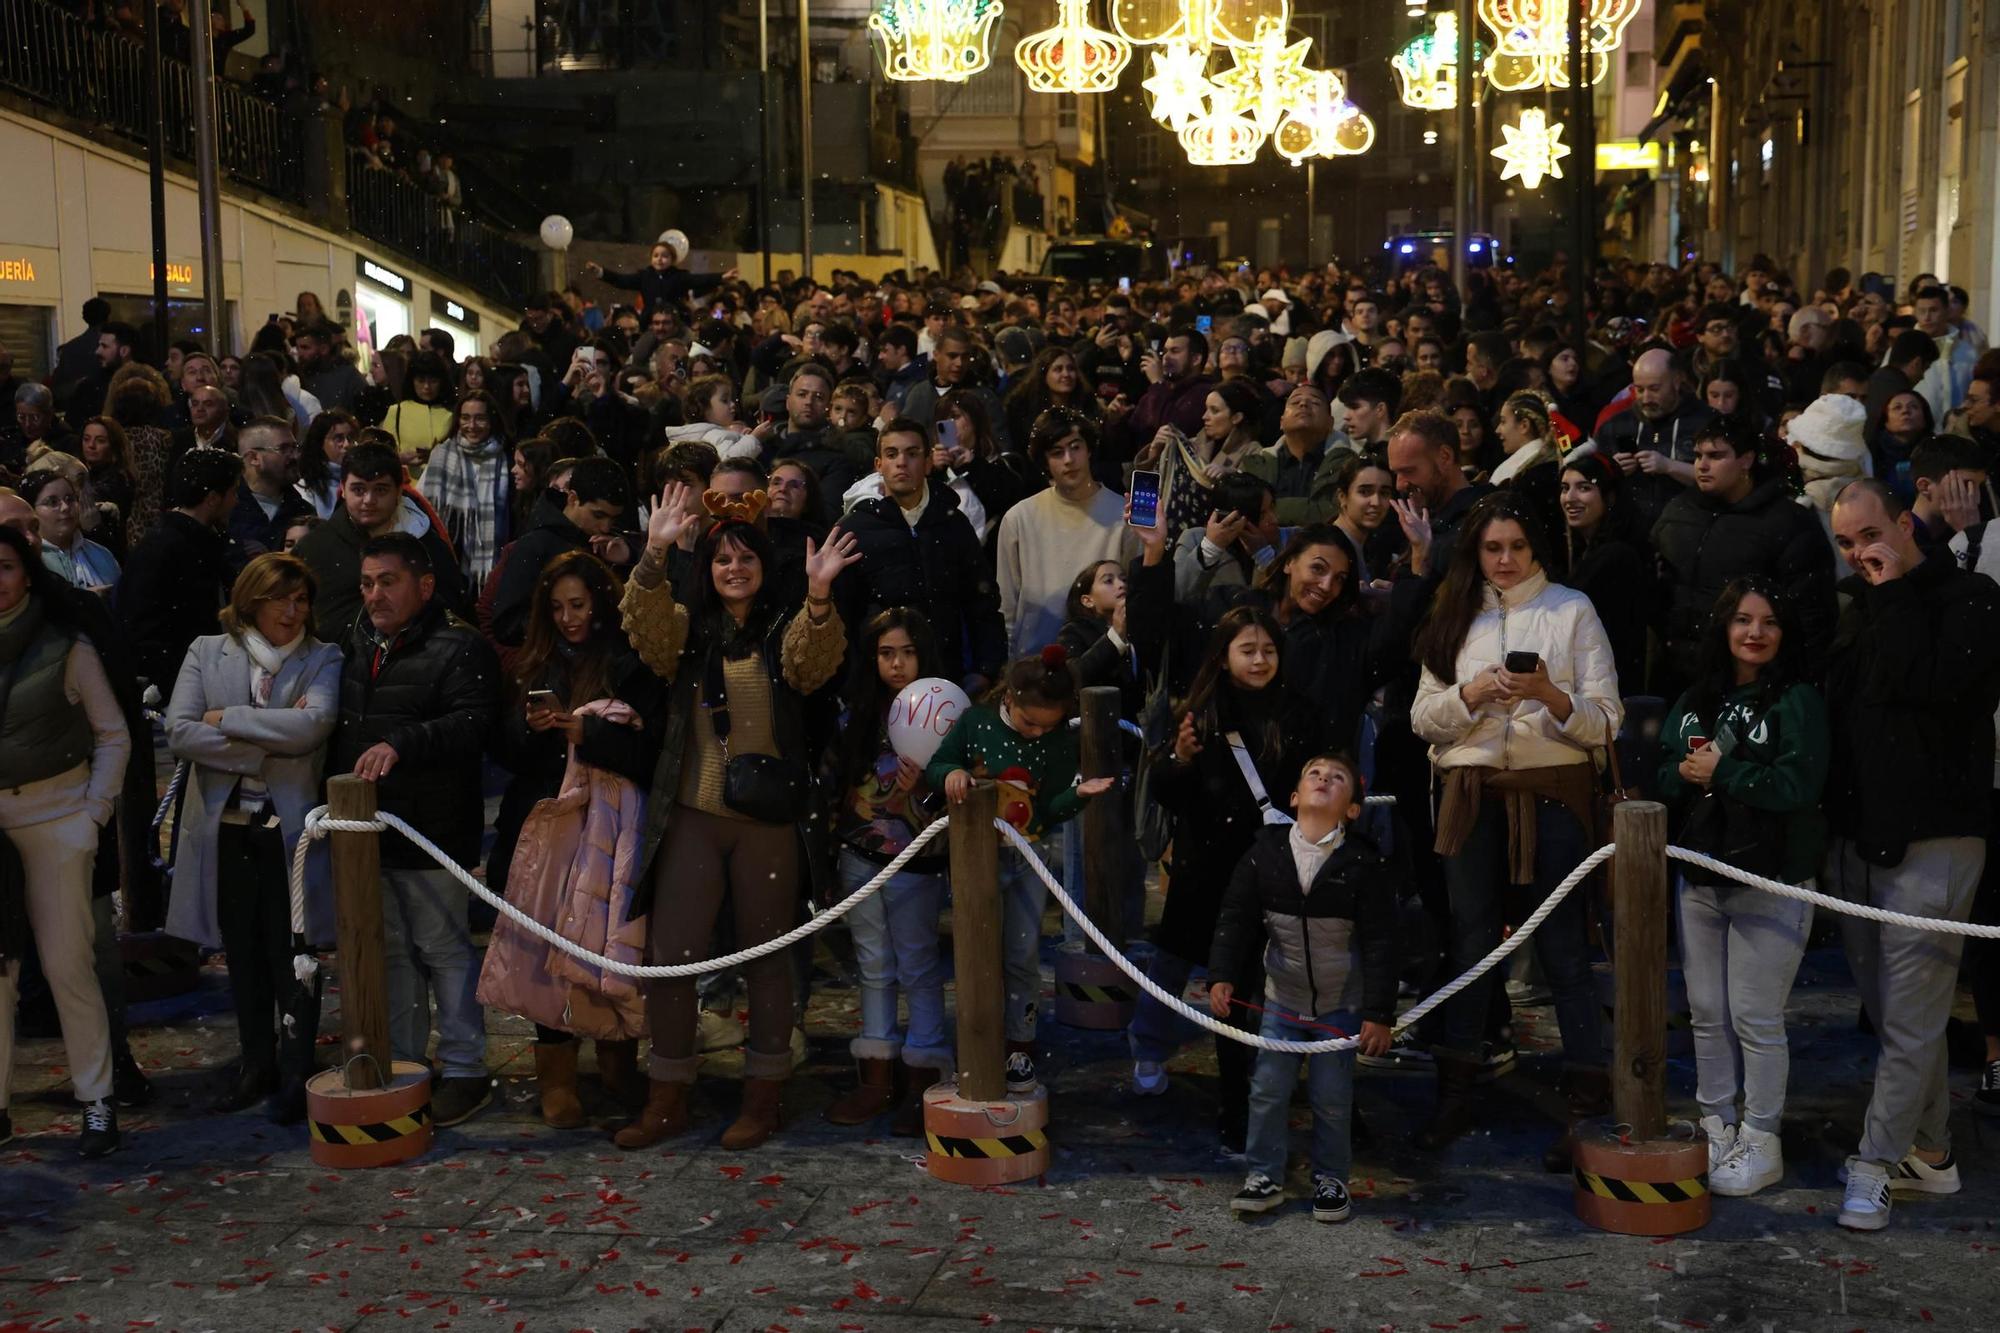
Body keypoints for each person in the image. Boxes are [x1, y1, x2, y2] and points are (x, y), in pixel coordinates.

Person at [611, 486, 859, 1152]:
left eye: (745, 556)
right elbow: (647, 632)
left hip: (769, 820)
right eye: (722, 558)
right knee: (672, 957)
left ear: (762, 564)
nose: (733, 568)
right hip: (692, 813)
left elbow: (812, 665)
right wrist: (655, 551)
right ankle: (666, 1097)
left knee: (769, 957)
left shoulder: (785, 626)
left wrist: (818, 593)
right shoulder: (689, 631)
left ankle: (764, 1095)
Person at [1409, 493, 1620, 1161]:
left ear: (1537, 551)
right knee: (1470, 946)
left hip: (1552, 792)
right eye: (1492, 547)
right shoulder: (1454, 613)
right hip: (1469, 793)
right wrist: (1472, 695)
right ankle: (1456, 1093)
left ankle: (1587, 1101)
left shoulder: (1571, 608)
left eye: (1516, 548)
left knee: (1561, 945)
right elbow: (1422, 718)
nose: (1504, 560)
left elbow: (1606, 720)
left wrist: (1550, 697)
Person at [1823, 480, 2000, 1231]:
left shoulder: (1971, 597)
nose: (1860, 552)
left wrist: (1891, 590)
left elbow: (1932, 686)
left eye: (1870, 533)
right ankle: (1930, 1150)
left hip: (1938, 838)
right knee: (1900, 1016)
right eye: (1844, 542)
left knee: (1911, 1017)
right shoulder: (1858, 606)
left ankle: (1876, 1160)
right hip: (1861, 841)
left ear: (1905, 523)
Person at [1653, 577, 1827, 1197]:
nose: (1754, 633)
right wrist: (1687, 775)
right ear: (1723, 627)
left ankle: (1762, 1136)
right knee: (1706, 1012)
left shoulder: (1797, 700)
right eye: (1743, 620)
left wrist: (1724, 772)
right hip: (1700, 873)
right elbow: (1664, 774)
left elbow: (1798, 788)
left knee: (1755, 1015)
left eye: (1769, 622)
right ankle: (1716, 1122)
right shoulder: (1696, 699)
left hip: (1771, 877)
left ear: (1786, 634)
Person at [1125, 605, 1325, 1144]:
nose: (1260, 660)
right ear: (1224, 655)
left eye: (1268, 650)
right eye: (1247, 650)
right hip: (1209, 868)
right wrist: (1182, 760)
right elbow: (1169, 793)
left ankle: (1247, 1096)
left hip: (1274, 867)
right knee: (1181, 966)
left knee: (1255, 982)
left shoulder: (1300, 711)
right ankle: (1152, 1053)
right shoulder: (1202, 712)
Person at [328, 533, 499, 1128]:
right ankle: (404, 1064)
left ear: (423, 586)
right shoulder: (357, 639)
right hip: (369, 828)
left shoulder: (458, 647)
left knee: (443, 948)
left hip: (432, 826)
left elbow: (473, 722)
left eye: (388, 581)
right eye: (367, 582)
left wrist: (401, 742)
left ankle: (465, 1068)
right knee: (393, 953)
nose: (374, 594)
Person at [163, 553, 341, 1122]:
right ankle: (254, 1063)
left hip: (291, 833)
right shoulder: (205, 650)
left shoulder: (323, 657)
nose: (292, 612)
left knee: (295, 951)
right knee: (241, 955)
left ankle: (296, 1069)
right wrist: (267, 747)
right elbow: (181, 731)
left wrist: (228, 719)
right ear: (250, 603)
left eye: (301, 600)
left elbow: (313, 727)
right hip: (227, 829)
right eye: (278, 600)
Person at [488, 550, 663, 1128]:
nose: (568, 619)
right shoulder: (531, 665)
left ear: (601, 604)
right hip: (544, 824)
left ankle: (616, 1057)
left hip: (607, 827)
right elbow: (506, 752)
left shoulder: (628, 664)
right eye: (557, 607)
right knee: (543, 945)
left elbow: (647, 755)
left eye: (579, 605)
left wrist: (586, 734)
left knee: (604, 943)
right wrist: (534, 728)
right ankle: (557, 1077)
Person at [1210, 753, 1397, 1222]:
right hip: (1282, 1000)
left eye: (1337, 779)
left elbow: (1381, 942)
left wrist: (1378, 1013)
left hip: (1340, 1004)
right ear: (1294, 798)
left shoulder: (1363, 864)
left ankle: (1331, 1177)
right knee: (1268, 1088)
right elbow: (1235, 919)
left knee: (1332, 1096)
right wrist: (1221, 975)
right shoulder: (1264, 855)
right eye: (1313, 773)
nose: (1323, 780)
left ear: (1352, 808)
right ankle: (1263, 1175)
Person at [928, 644, 1115, 1095]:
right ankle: (975, 1043)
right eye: (1029, 722)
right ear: (1008, 698)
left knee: (1022, 955)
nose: (1036, 734)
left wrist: (1078, 796)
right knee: (975, 954)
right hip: (976, 858)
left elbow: (1048, 810)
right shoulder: (976, 722)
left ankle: (1020, 1046)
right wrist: (952, 773)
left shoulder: (1054, 743)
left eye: (1046, 726)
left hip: (1029, 857)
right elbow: (938, 763)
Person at [0, 524, 130, 1156]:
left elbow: (113, 734)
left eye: (4, 567)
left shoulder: (65, 644)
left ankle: (97, 1100)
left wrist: (92, 815)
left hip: (59, 820)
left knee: (67, 964)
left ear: (27, 572)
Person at [823, 608, 952, 1133]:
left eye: (907, 652)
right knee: (872, 962)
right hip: (859, 855)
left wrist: (920, 788)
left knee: (919, 964)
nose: (897, 664)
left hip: (918, 857)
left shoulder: (946, 713)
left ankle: (923, 1076)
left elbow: (952, 798)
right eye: (885, 653)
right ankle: (874, 1078)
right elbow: (836, 780)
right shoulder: (854, 711)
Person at [1651, 417, 1837, 690]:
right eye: (1698, 456)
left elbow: (1811, 612)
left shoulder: (1788, 522)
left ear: (1746, 460)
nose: (1702, 465)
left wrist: (1795, 683)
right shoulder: (1678, 512)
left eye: (1716, 456)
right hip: (1676, 672)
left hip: (1751, 677)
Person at [834, 419, 1006, 689]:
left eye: (912, 453)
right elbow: (842, 614)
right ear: (879, 465)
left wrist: (986, 669)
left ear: (928, 463)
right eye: (892, 454)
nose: (901, 462)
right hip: (875, 688)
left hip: (946, 680)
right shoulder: (853, 529)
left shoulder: (953, 523)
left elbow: (981, 602)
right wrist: (853, 685)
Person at [995, 410, 1137, 656]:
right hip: (1034, 664)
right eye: (1057, 453)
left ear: (1089, 449)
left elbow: (1135, 595)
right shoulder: (1020, 518)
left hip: (1104, 660)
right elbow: (1007, 605)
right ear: (1045, 462)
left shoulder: (1122, 515)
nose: (1069, 459)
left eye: (1075, 447)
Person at [294, 441, 467, 639]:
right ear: (343, 489)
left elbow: (454, 615)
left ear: (399, 491)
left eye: (381, 490)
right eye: (358, 490)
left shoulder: (427, 545)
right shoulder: (316, 548)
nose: (369, 500)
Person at [116, 447, 242, 687]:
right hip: (179, 684)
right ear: (213, 499)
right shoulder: (162, 549)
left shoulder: (205, 542)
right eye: (233, 492)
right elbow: (144, 629)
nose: (236, 501)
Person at [489, 456, 633, 647]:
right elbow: (507, 624)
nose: (606, 527)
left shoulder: (613, 544)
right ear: (573, 498)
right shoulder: (535, 546)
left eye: (613, 519)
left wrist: (626, 561)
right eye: (598, 515)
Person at [1557, 453, 1651, 693]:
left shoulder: (1617, 556)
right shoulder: (1583, 550)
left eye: (1584, 488)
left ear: (1610, 496)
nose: (1570, 498)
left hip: (1609, 686)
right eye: (1565, 488)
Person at [1594, 348, 1713, 530]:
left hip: (1691, 531)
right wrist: (1611, 470)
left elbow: (1724, 479)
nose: (1646, 398)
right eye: (1639, 390)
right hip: (1629, 534)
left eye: (1654, 389)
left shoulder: (1707, 422)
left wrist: (1669, 467)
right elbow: (1589, 481)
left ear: (1676, 381)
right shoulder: (1615, 425)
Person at [418, 391, 511, 585]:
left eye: (480, 419)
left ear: (492, 420)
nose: (472, 426)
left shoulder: (506, 459)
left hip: (495, 565)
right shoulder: (441, 456)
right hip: (450, 561)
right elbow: (424, 505)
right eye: (466, 418)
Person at [1244, 383, 1348, 525]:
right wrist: (1312, 508)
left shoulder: (1348, 464)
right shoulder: (1258, 464)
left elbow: (1333, 512)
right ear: (1281, 422)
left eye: (1315, 402)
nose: (1304, 404)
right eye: (1295, 402)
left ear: (1330, 423)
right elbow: (1247, 511)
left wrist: (1270, 509)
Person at [230, 417, 315, 557]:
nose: (295, 456)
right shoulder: (225, 509)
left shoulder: (303, 511)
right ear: (254, 458)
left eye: (295, 447)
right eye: (283, 449)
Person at [24, 469, 119, 591]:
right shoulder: (30, 561)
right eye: (52, 502)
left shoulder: (101, 553)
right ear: (31, 511)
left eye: (70, 499)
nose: (65, 507)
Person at [379, 352, 455, 470]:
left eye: (433, 381)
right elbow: (383, 456)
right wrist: (399, 459)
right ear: (412, 381)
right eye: (421, 380)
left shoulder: (452, 412)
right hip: (408, 482)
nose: (427, 386)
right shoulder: (397, 411)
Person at [295, 409, 358, 519]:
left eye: (351, 438)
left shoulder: (366, 481)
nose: (347, 444)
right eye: (338, 438)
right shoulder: (304, 487)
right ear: (319, 444)